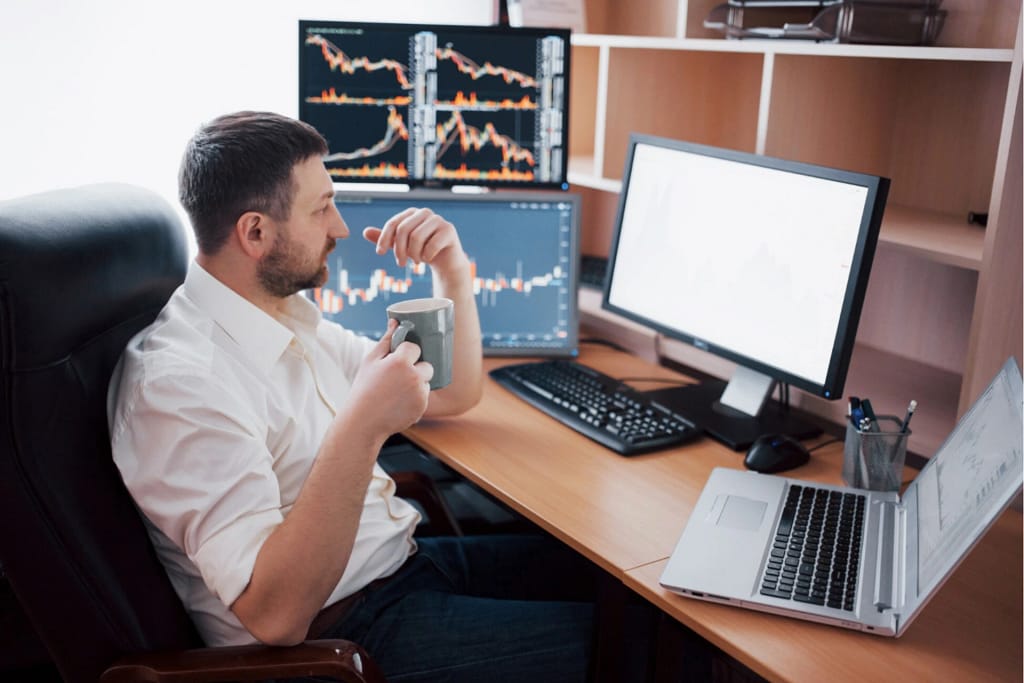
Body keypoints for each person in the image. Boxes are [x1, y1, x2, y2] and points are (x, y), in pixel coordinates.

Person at [107, 110, 596, 681]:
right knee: (646, 647)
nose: (339, 227)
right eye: (322, 208)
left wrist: (452, 272)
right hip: (341, 640)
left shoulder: (282, 315)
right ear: (256, 232)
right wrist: (363, 425)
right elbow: (276, 615)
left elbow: (452, 392)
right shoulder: (180, 386)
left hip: (403, 568)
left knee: (628, 595)